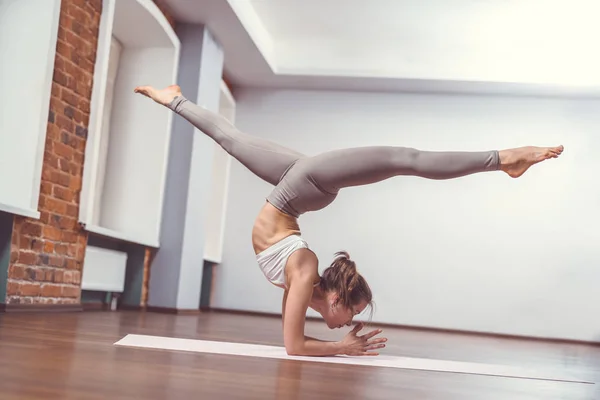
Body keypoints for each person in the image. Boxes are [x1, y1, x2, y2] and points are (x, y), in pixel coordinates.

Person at [134, 84, 564, 357]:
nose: (350, 322)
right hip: (300, 188)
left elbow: (292, 346)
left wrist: (340, 347)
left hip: (295, 189)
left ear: (335, 300)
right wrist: (341, 346)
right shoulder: (304, 271)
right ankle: (503, 158)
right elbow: (297, 344)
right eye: (353, 314)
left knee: (404, 160)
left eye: (352, 315)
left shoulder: (303, 279)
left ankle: (504, 158)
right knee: (403, 160)